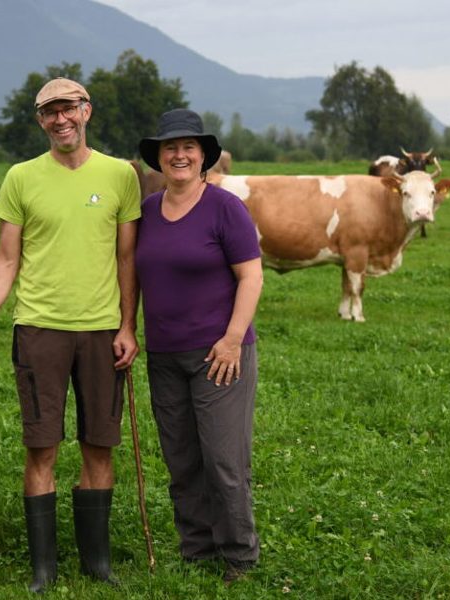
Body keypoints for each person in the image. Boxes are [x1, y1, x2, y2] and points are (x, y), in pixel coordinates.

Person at [0, 77, 141, 592]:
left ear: (87, 112)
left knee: (99, 446)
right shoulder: (20, 177)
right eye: (49, 112)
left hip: (102, 332)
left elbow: (127, 258)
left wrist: (128, 325)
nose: (61, 119)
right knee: (42, 449)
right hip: (39, 329)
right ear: (40, 121)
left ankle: (96, 564)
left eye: (69, 109)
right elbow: (6, 258)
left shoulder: (121, 175)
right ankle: (43, 568)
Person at [135, 108, 264, 584]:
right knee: (182, 459)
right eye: (171, 148)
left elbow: (251, 276)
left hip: (220, 355)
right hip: (164, 355)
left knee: (224, 461)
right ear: (159, 159)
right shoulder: (147, 212)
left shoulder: (225, 207)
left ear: (204, 156)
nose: (179, 154)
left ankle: (239, 558)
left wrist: (232, 340)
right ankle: (197, 552)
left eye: (189, 147)